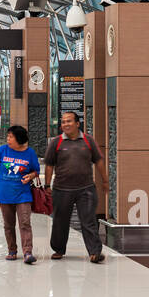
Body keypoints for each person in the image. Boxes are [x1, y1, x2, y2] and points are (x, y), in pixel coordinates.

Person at [44, 111, 106, 264]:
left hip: (86, 189)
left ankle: (95, 252)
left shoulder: (88, 140)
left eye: (69, 121)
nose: (65, 124)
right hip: (61, 188)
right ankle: (58, 249)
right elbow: (49, 165)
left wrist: (105, 181)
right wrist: (47, 184)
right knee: (60, 220)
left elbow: (99, 161)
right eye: (63, 122)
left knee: (89, 220)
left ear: (78, 124)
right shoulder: (56, 142)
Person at [0, 125, 40, 263]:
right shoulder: (2, 150)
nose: (8, 139)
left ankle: (28, 252)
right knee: (8, 224)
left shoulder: (30, 153)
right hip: (4, 194)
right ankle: (12, 250)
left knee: (25, 223)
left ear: (19, 139)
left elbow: (36, 171)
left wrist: (30, 176)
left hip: (23, 194)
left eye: (11, 137)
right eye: (8, 136)